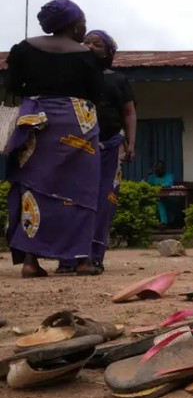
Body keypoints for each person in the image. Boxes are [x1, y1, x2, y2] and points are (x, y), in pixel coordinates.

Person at [3, 0, 103, 278]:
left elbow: (10, 86)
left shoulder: (23, 49)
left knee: (34, 189)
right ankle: (82, 260)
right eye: (82, 23)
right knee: (81, 191)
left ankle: (30, 262)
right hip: (78, 123)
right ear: (73, 25)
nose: (85, 28)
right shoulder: (86, 55)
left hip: (36, 122)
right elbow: (96, 94)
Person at [57, 29, 136, 274]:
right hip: (75, 149)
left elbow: (129, 113)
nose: (89, 46)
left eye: (97, 44)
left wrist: (131, 144)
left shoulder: (117, 80)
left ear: (109, 52)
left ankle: (93, 257)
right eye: (86, 41)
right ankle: (68, 259)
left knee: (104, 201)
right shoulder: (70, 77)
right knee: (71, 201)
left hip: (110, 146)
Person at [146, 160, 180, 226]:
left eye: (161, 167)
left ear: (164, 168)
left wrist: (159, 186)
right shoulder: (152, 177)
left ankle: (164, 223)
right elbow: (145, 184)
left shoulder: (169, 176)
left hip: (168, 198)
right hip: (154, 199)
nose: (159, 169)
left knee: (159, 202)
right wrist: (147, 176)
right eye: (158, 167)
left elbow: (168, 183)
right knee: (157, 202)